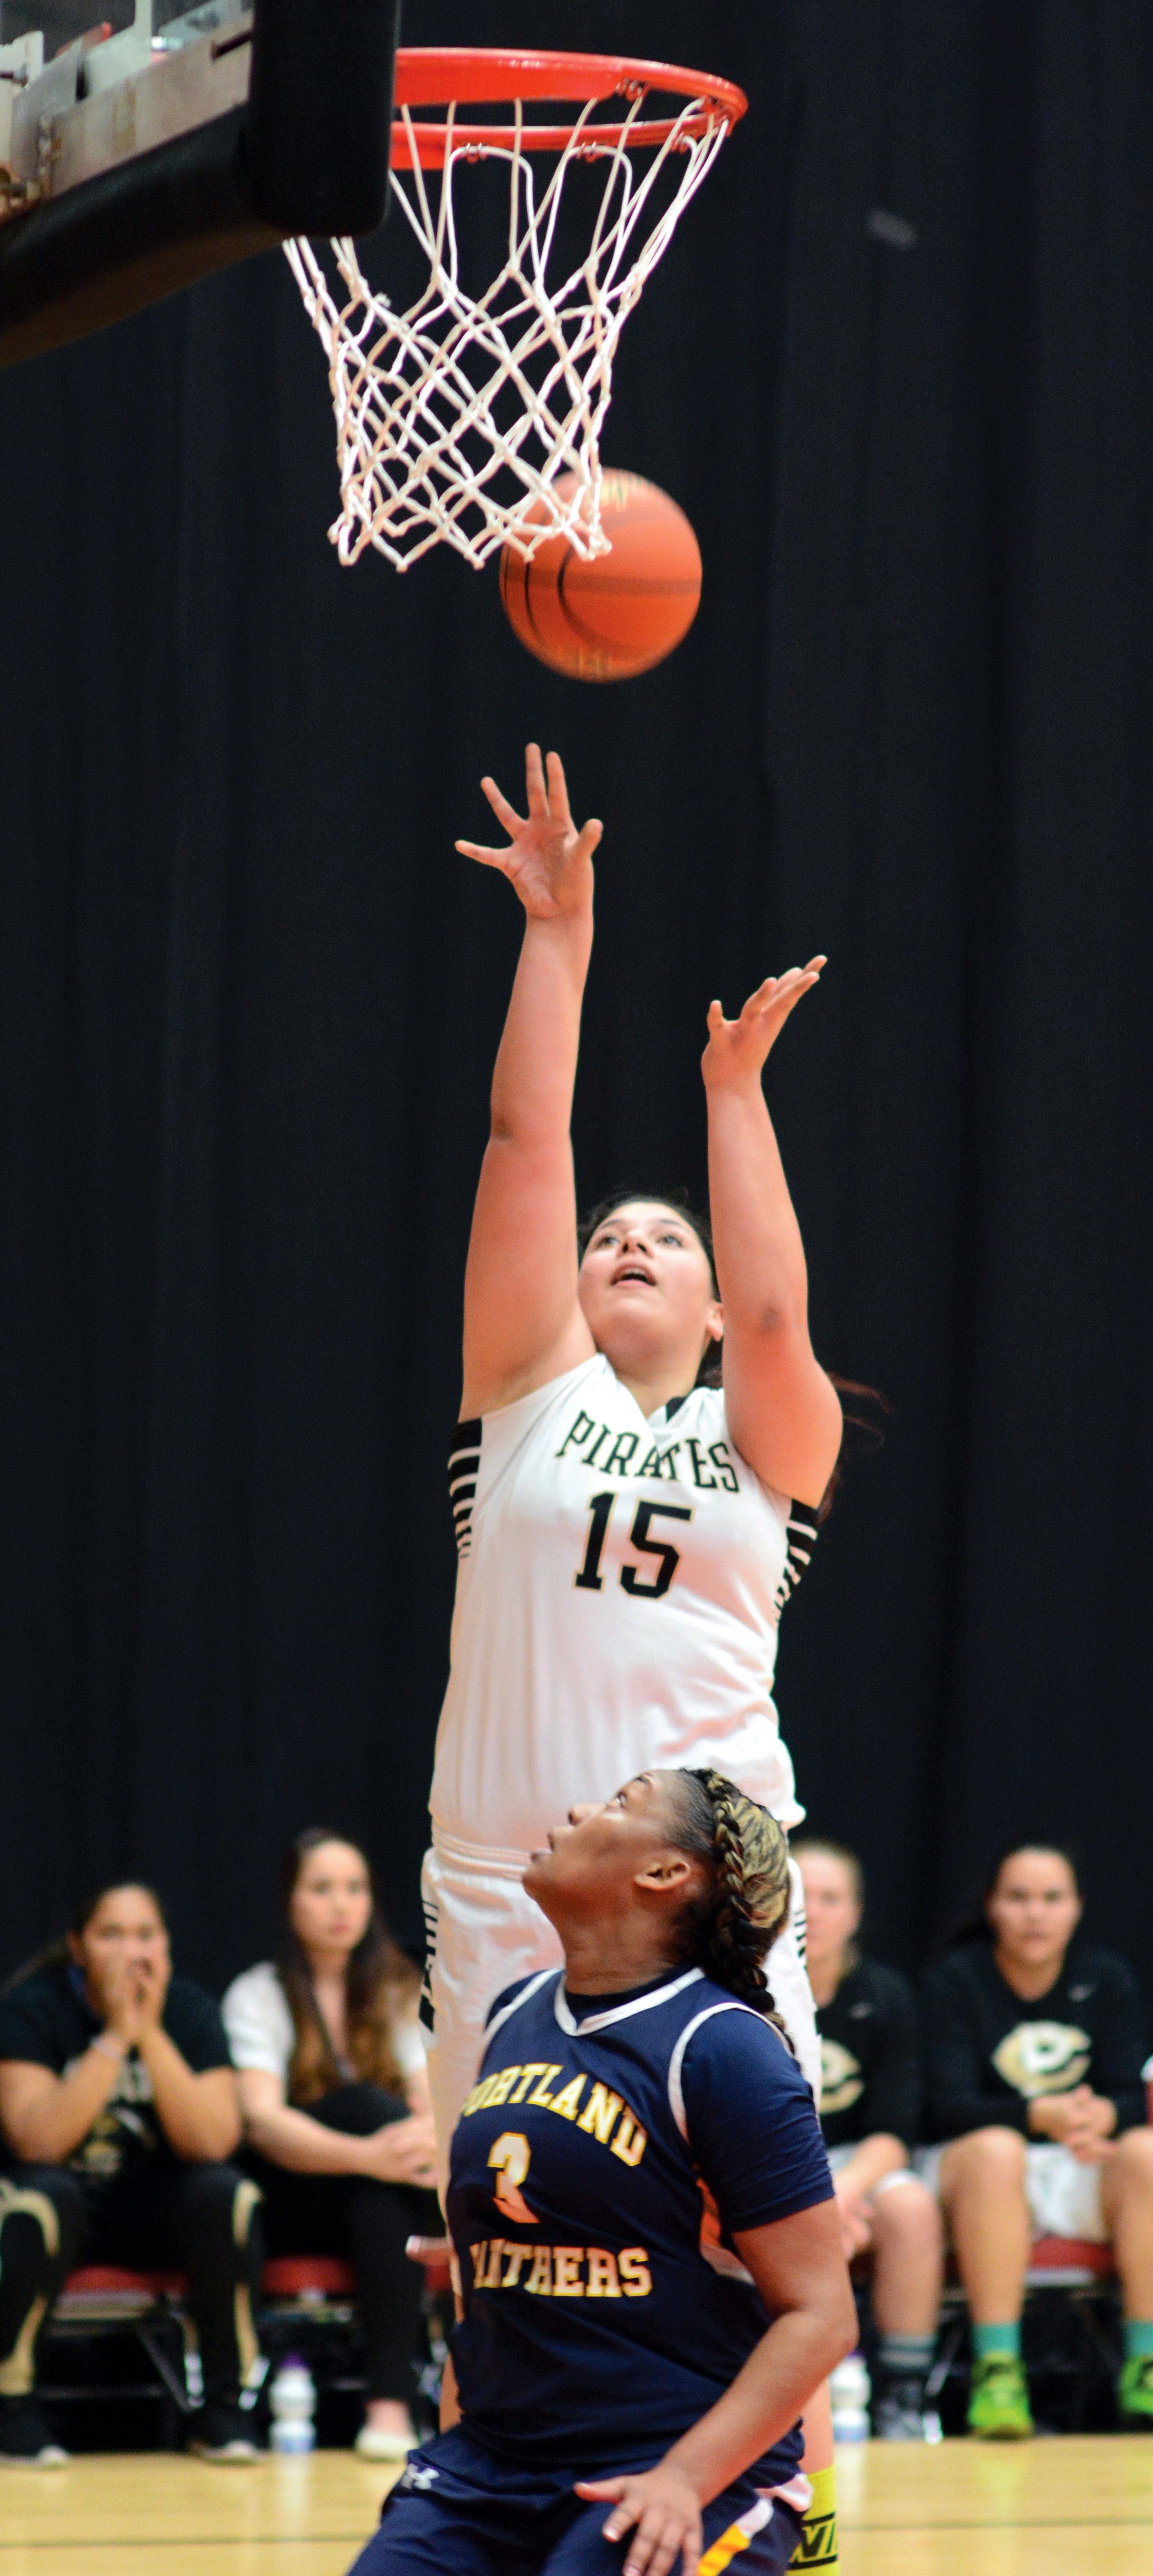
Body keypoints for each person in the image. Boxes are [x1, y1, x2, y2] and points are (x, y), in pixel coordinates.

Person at [424, 742, 846, 2160]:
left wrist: (734, 1094)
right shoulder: (524, 1392)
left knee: (757, 2257)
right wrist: (558, 934)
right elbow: (523, 1140)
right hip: (508, 1887)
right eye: (611, 1234)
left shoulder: (770, 1435)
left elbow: (783, 1307)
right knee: (508, 2256)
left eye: (666, 1236)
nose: (625, 1241)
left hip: (713, 1885)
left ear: (712, 1305)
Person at [348, 1768, 855, 2576]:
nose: (580, 1810)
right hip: (492, 2464)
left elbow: (821, 2315)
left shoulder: (724, 2049)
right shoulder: (515, 2011)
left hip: (670, 2464)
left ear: (663, 1874)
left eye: (621, 1803)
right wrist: (502, 2242)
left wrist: (686, 2478)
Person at [0, 1881, 263, 2466]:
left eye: (146, 1934)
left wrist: (150, 2032)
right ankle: (13, 2403)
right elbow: (38, 2141)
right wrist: (116, 2035)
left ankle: (225, 2406)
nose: (132, 1951)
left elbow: (215, 2139)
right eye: (111, 1934)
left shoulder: (191, 2009)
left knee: (226, 2192)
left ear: (166, 1946)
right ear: (78, 1947)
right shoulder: (32, 2008)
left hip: (150, 2206)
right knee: (41, 2197)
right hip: (65, 2203)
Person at [920, 1842, 1153, 2438]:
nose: (1035, 1914)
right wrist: (1037, 2116)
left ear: (1074, 1908)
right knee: (998, 2148)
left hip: (1077, 2162)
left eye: (1051, 1898)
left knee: (1144, 2150)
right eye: (1018, 1897)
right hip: (975, 2169)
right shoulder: (955, 1979)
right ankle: (998, 2367)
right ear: (992, 1906)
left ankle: (1144, 2360)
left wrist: (1102, 2115)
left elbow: (1130, 2094)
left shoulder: (1105, 1977)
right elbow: (943, 2107)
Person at [222, 1831, 439, 2461]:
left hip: (379, 2194)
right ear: (290, 1902)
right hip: (291, 2197)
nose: (341, 1905)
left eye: (354, 1888)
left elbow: (430, 2110)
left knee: (383, 2177)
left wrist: (395, 2153)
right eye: (321, 1889)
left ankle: (388, 2406)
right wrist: (370, 2152)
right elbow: (261, 2121)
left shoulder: (399, 1987)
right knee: (367, 2110)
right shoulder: (258, 1993)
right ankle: (391, 2399)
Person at [794, 1839, 942, 2439]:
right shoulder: (741, 1989)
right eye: (800, 1894)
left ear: (855, 1913)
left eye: (830, 1898)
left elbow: (893, 2132)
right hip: (770, 2159)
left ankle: (903, 2395)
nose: (814, 1911)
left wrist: (840, 2191)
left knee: (909, 2207)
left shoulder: (883, 1995)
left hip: (853, 2161)